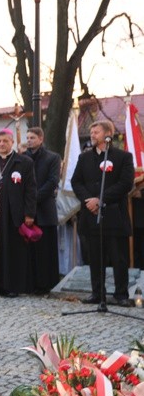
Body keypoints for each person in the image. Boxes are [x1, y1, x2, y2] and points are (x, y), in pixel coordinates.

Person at [70, 120, 135, 307]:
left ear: (108, 134)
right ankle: (97, 293)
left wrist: (101, 199)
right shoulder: (84, 158)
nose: (92, 135)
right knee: (95, 258)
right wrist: (88, 201)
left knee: (118, 258)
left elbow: (125, 184)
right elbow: (76, 182)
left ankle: (121, 294)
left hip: (115, 216)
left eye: (96, 132)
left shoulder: (123, 157)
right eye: (91, 132)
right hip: (91, 216)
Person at [0, 128, 37, 297]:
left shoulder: (24, 162)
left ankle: (13, 286)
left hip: (14, 215)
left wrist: (29, 214)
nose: (2, 144)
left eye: (5, 141)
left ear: (12, 142)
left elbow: (31, 190)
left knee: (13, 250)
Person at [24, 126, 61, 294]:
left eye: (32, 137)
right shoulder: (22, 158)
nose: (29, 140)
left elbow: (52, 182)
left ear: (41, 139)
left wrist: (33, 199)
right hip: (26, 210)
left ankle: (45, 284)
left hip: (44, 210)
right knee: (28, 250)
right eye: (28, 137)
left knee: (45, 250)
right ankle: (29, 283)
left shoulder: (52, 158)